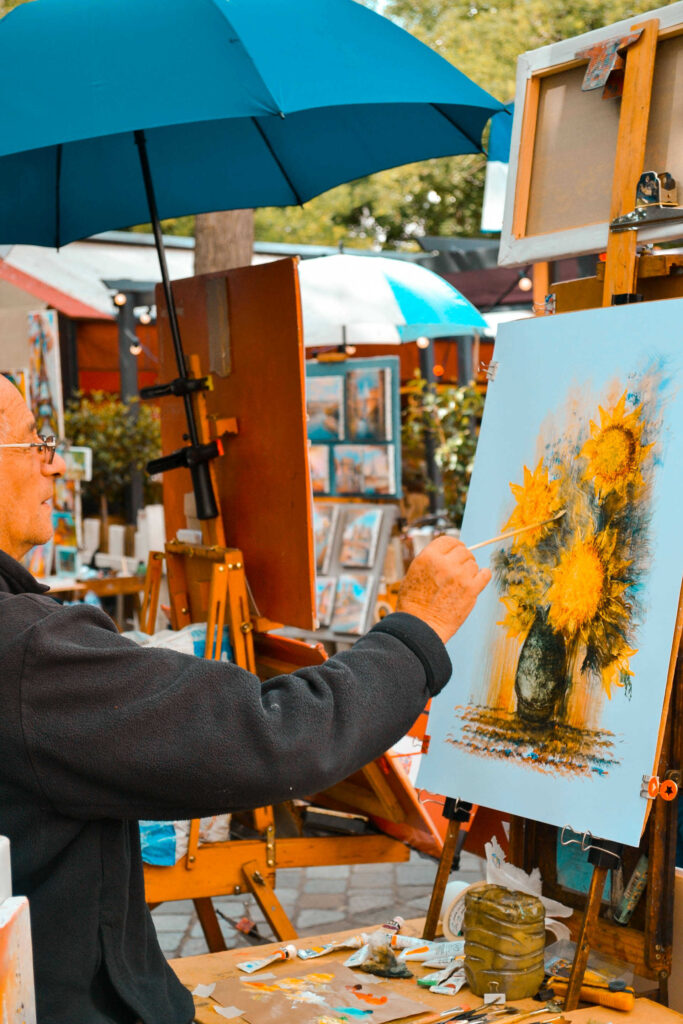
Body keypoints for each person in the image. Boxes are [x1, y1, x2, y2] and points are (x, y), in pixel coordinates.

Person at [0, 374, 490, 1024]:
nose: (56, 462)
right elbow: (273, 734)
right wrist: (415, 633)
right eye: (35, 443)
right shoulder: (26, 650)